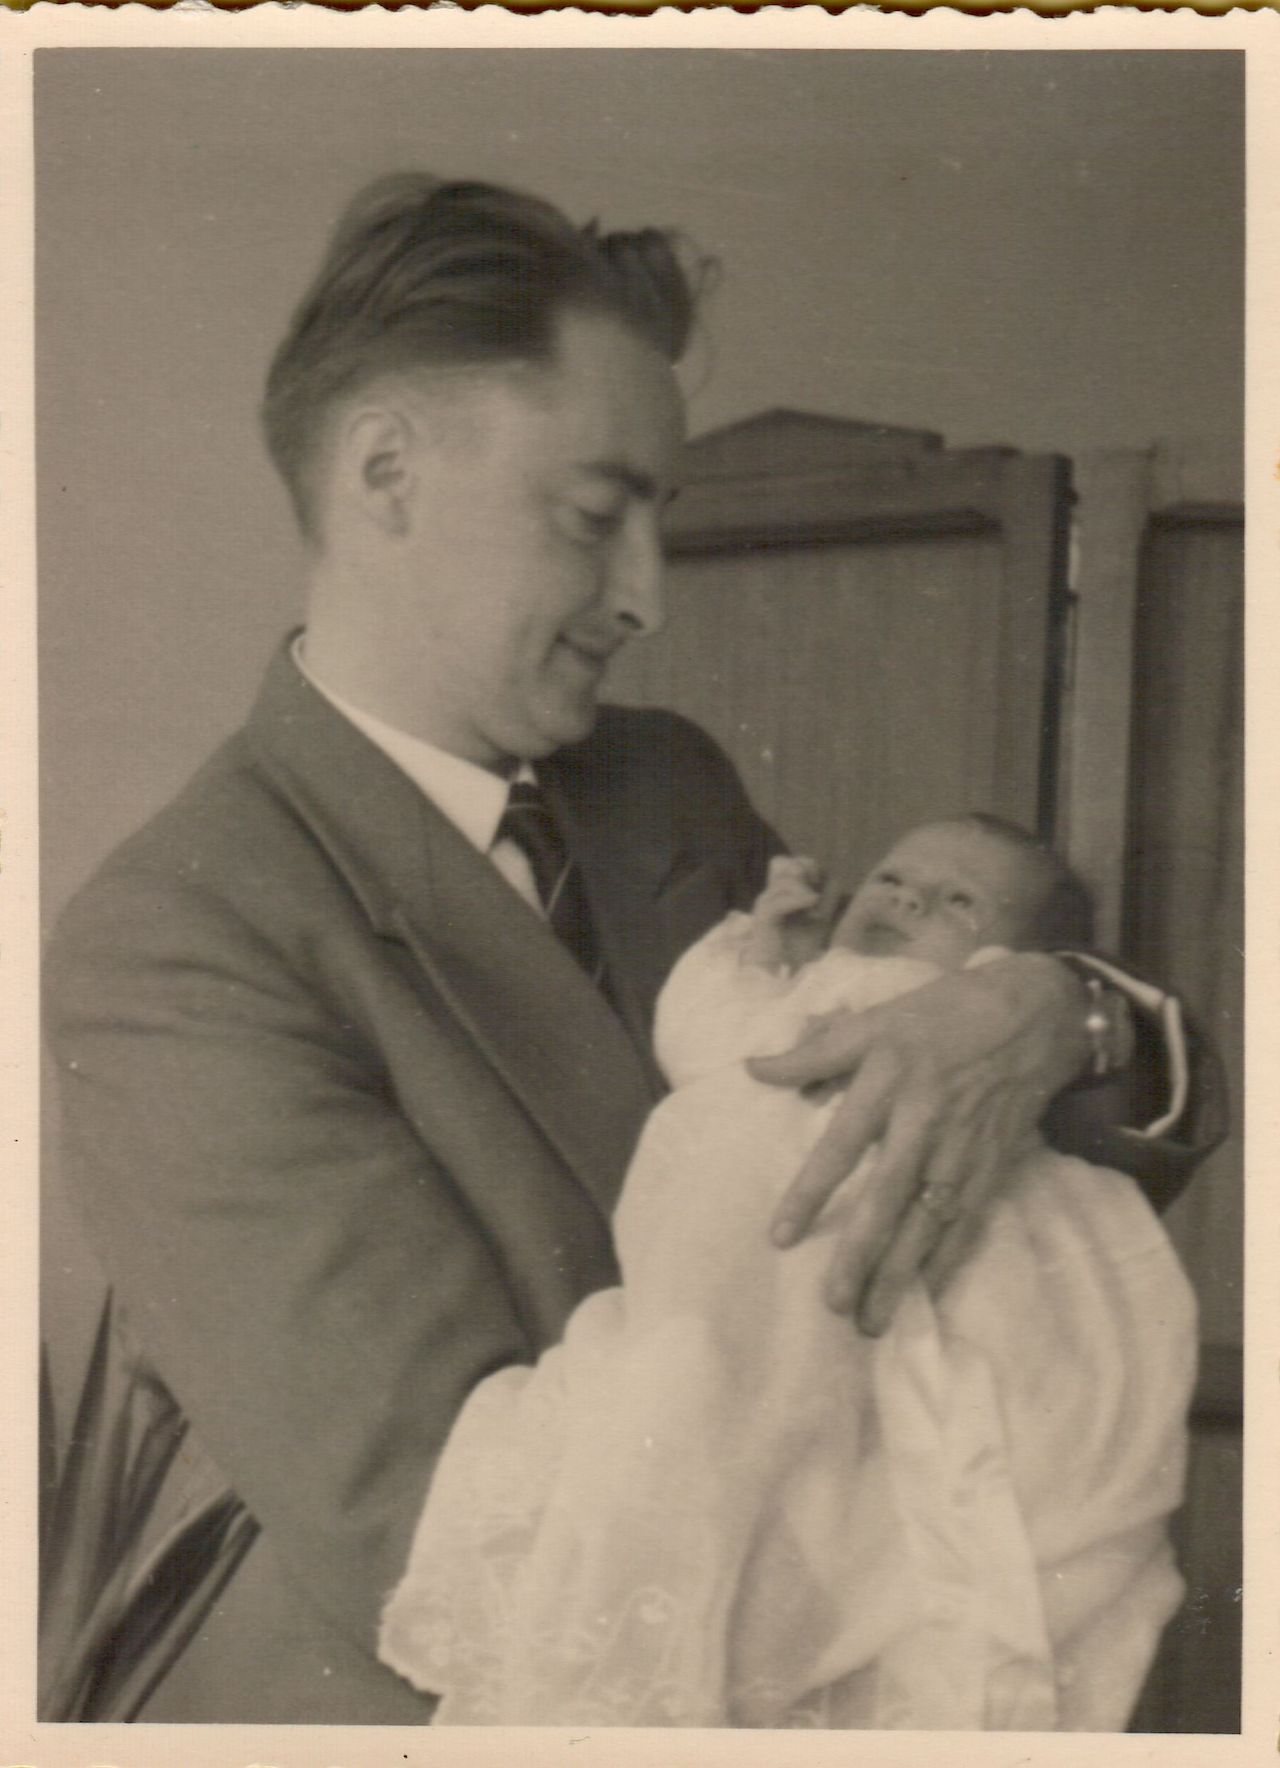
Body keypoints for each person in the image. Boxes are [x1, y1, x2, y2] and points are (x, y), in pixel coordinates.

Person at [44, 175, 1216, 1724]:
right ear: (385, 471)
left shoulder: (662, 778)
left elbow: (975, 1179)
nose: (652, 595)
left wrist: (1051, 1011)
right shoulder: (178, 942)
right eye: (598, 518)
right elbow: (454, 1537)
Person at [377, 819, 1197, 1729]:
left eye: (958, 902)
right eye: (891, 878)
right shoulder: (801, 995)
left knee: (925, 1407)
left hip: (882, 1236)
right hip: (743, 1240)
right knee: (708, 1390)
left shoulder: (964, 1013)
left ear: (1008, 957)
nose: (909, 902)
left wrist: (1046, 1003)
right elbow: (697, 1036)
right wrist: (761, 953)